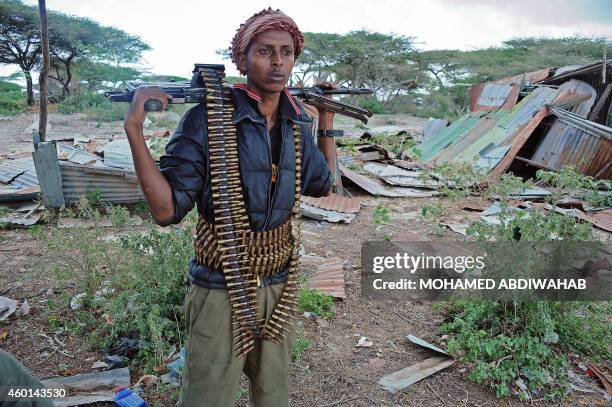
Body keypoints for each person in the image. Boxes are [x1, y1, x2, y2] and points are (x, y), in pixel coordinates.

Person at [123, 8, 332, 407]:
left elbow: (323, 186)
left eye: (286, 52)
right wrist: (135, 130)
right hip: (221, 287)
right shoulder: (206, 120)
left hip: (279, 284)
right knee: (207, 398)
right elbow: (166, 211)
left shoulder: (296, 122)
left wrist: (326, 121)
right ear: (242, 59)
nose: (277, 63)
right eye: (265, 51)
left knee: (274, 397)